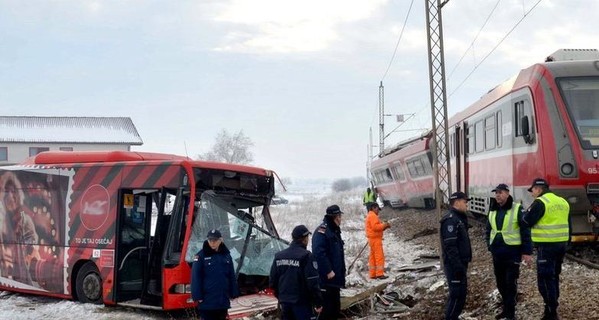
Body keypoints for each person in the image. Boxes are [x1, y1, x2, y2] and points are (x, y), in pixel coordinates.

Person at [522, 178, 570, 320]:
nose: (532, 194)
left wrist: (524, 214)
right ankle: (551, 308)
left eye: (533, 190)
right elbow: (569, 224)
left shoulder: (540, 202)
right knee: (554, 276)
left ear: (539, 189)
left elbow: (526, 221)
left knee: (544, 278)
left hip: (546, 246)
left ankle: (551, 311)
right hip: (561, 245)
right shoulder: (562, 201)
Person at [485, 183, 533, 320]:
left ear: (507, 193)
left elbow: (525, 231)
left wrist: (527, 252)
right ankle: (506, 309)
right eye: (496, 193)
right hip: (497, 252)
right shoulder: (493, 209)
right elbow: (488, 229)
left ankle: (510, 314)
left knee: (510, 283)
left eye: (500, 192)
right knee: (500, 283)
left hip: (512, 252)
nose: (497, 195)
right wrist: (489, 245)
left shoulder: (517, 208)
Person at [269, 225, 323, 320]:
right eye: (307, 237)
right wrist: (318, 302)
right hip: (302, 303)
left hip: (285, 302)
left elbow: (272, 281)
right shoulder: (306, 256)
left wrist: (281, 297)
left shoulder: (279, 256)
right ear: (304, 239)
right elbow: (313, 282)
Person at [0, 171, 40, 285]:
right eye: (6, 191)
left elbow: (33, 244)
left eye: (13, 191)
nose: (10, 196)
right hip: (5, 273)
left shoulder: (24, 219)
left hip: (22, 275)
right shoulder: (2, 219)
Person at [191, 229, 240, 320]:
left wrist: (234, 293)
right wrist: (197, 296)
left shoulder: (226, 255)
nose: (212, 243)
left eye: (215, 240)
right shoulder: (200, 256)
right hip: (207, 301)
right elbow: (195, 278)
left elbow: (231, 276)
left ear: (221, 240)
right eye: (210, 240)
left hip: (222, 300)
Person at [440, 191, 472, 320]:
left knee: (460, 295)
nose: (467, 205)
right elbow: (450, 246)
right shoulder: (451, 220)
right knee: (457, 295)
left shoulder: (458, 218)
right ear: (457, 202)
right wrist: (458, 266)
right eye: (465, 202)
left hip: (459, 264)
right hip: (454, 265)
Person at [312, 204, 346, 320]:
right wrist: (328, 270)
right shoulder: (322, 231)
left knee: (335, 310)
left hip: (335, 280)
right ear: (335, 217)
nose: (341, 219)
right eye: (340, 216)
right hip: (327, 280)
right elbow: (318, 253)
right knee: (327, 311)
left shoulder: (334, 230)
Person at [364, 202, 391, 279]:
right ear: (373, 208)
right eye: (377, 209)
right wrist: (384, 225)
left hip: (372, 239)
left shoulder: (370, 215)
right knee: (379, 256)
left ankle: (372, 274)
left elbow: (375, 228)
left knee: (372, 257)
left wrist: (384, 227)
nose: (378, 211)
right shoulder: (373, 216)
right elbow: (375, 227)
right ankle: (379, 274)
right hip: (375, 240)